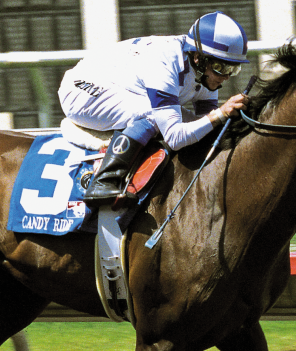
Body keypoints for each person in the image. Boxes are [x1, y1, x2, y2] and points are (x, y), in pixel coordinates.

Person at [58, 11, 251, 206]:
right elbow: (175, 138)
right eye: (221, 67)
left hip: (117, 87)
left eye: (233, 69)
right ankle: (104, 180)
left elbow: (206, 126)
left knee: (193, 120)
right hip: (80, 88)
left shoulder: (205, 72)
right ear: (199, 58)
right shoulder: (167, 62)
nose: (226, 77)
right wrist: (220, 113)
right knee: (153, 114)